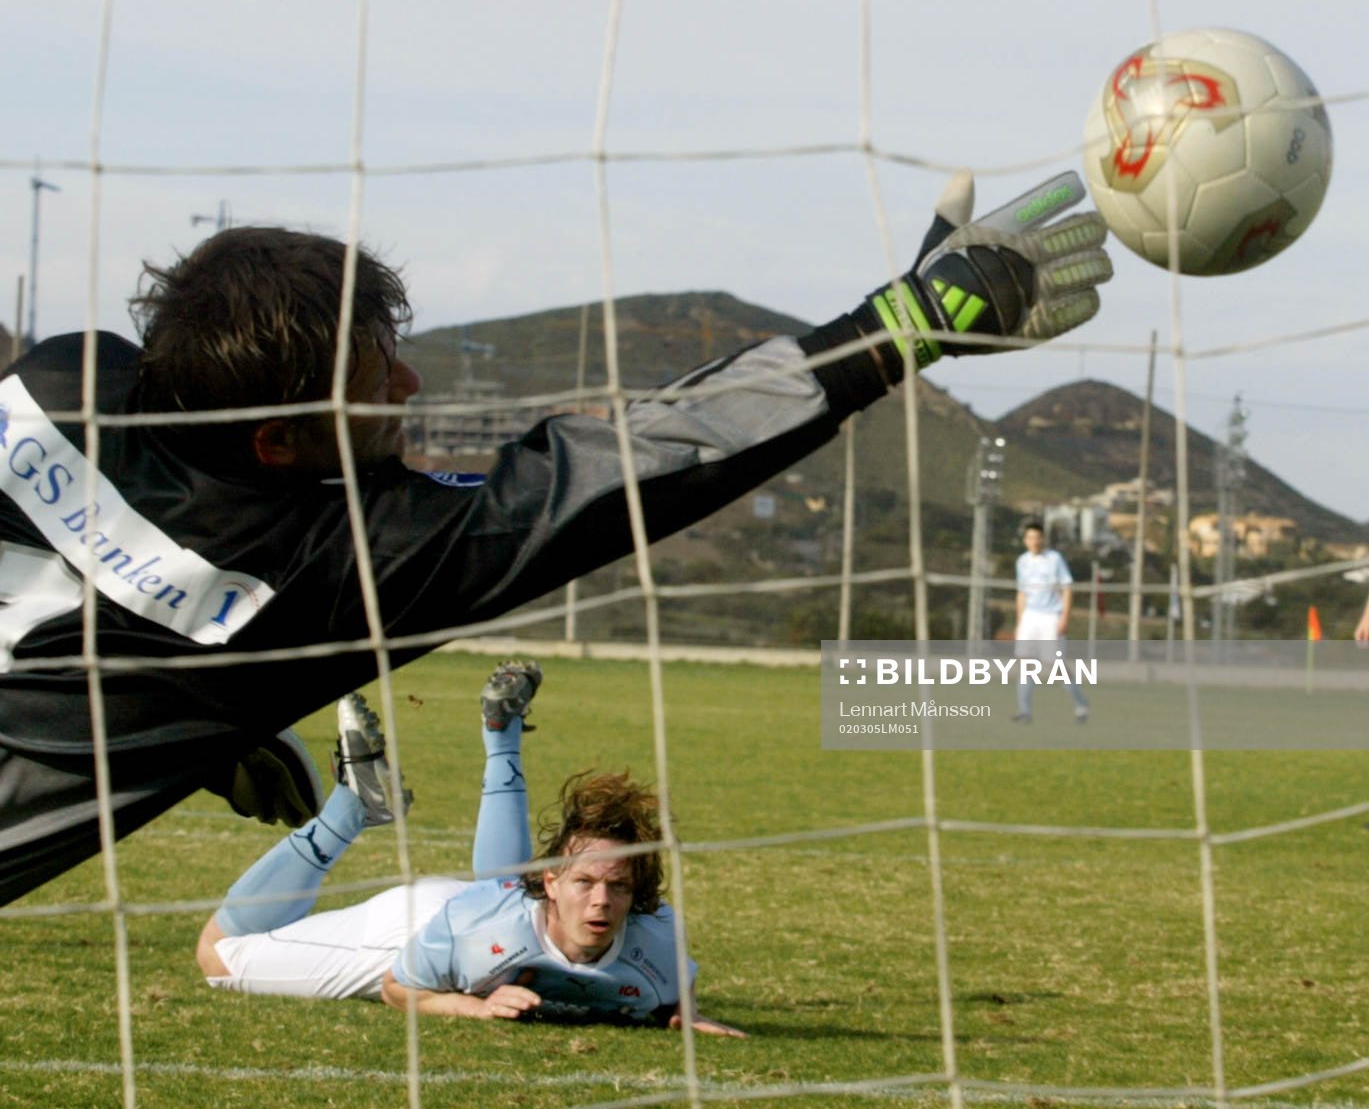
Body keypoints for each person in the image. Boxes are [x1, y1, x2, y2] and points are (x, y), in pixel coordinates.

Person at [0, 173, 1111, 904]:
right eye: (375, 377)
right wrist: (897, 327)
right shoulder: (344, 567)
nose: (408, 381)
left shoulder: (58, 372)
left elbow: (102, 571)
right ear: (286, 440)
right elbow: (638, 465)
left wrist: (190, 713)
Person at [197, 662, 744, 1034]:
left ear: (636, 894)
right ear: (551, 882)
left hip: (488, 906)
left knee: (498, 887)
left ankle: (499, 732)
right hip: (420, 930)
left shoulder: (659, 944)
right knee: (219, 958)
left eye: (617, 886)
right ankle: (349, 812)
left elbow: (673, 990)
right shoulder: (477, 931)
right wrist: (469, 1005)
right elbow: (397, 988)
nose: (603, 901)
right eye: (586, 883)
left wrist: (683, 1015)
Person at [1012, 520, 1086, 723]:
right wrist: (1020, 622)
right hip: (1030, 616)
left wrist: (1064, 617)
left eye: (1037, 537)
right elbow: (1021, 593)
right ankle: (1024, 711)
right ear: (1025, 540)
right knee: (1024, 662)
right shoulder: (1022, 561)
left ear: (1043, 539)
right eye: (1030, 538)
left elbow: (1067, 588)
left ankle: (1080, 704)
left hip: (1050, 617)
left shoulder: (1054, 559)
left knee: (1056, 666)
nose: (1034, 541)